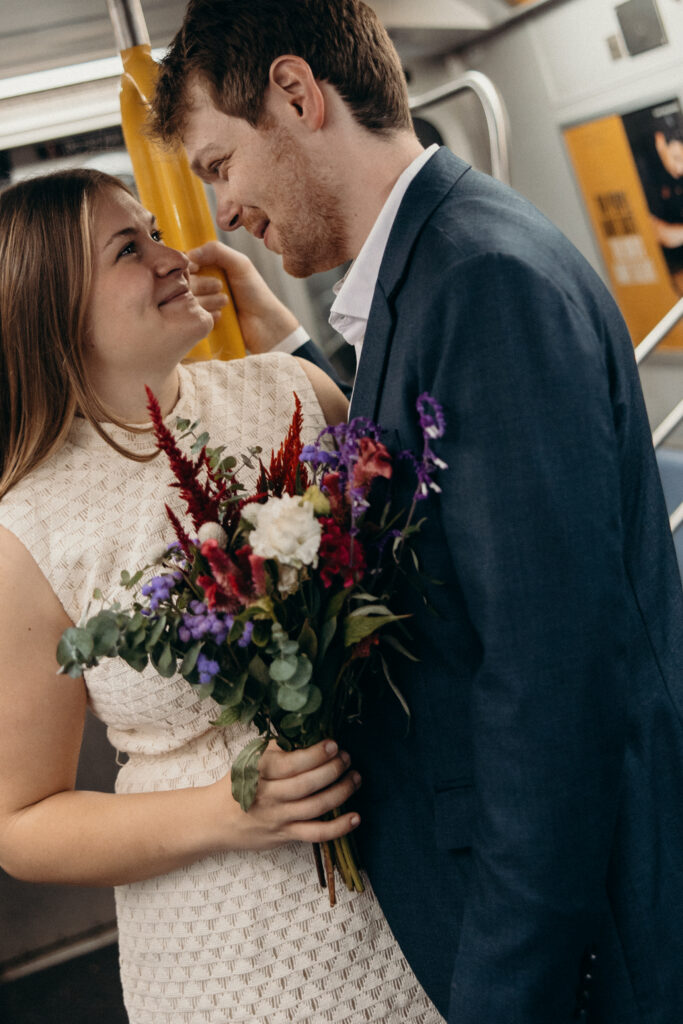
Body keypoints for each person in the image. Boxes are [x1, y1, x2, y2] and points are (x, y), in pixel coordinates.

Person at [149, 1, 683, 1022]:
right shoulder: (429, 273)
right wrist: (300, 363)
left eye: (219, 164)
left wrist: (509, 987)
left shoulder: (479, 282)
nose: (223, 211)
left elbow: (548, 680)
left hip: (576, 946)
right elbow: (426, 479)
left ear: (298, 95)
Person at [0, 169, 445, 1023]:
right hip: (229, 954)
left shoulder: (291, 394)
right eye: (130, 249)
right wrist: (228, 810)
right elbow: (22, 825)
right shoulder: (30, 529)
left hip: (412, 876)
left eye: (157, 229)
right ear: (52, 307)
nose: (175, 257)